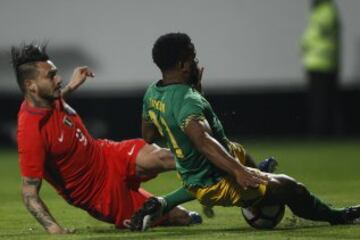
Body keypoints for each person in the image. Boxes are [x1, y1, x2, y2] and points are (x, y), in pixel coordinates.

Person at [129, 32, 360, 231]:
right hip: (217, 179)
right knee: (293, 189)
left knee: (236, 150)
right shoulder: (186, 99)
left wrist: (180, 134)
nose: (196, 62)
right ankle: (338, 216)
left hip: (199, 170)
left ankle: (161, 203)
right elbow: (203, 140)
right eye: (193, 57)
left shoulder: (153, 92)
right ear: (183, 65)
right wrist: (238, 171)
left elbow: (149, 136)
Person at [12, 43, 202, 234]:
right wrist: (55, 230)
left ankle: (219, 166)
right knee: (182, 217)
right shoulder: (31, 131)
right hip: (100, 194)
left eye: (56, 73)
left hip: (107, 154)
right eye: (51, 76)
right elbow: (29, 194)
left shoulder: (46, 99)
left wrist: (71, 86)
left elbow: (55, 103)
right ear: (31, 85)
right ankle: (187, 204)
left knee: (163, 157)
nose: (59, 79)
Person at [302, 0, 341, 136]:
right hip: (314, 62)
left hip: (324, 63)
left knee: (323, 103)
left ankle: (323, 134)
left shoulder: (327, 10)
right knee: (318, 103)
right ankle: (319, 133)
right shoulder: (319, 10)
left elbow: (321, 32)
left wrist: (306, 44)